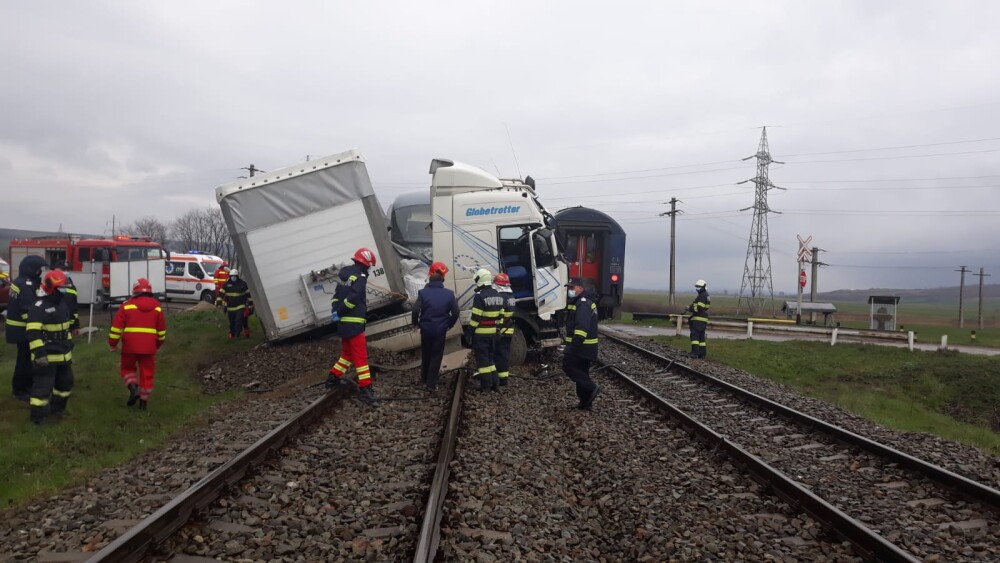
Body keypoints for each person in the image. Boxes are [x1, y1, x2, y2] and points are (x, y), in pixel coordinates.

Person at [325, 248, 378, 405]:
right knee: (360, 357)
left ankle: (332, 378)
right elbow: (353, 298)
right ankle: (366, 390)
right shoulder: (360, 276)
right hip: (354, 322)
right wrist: (342, 310)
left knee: (347, 354)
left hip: (343, 322)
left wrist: (336, 311)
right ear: (365, 264)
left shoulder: (344, 275)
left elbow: (336, 297)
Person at [108, 277, 167, 411]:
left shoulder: (127, 306)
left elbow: (116, 328)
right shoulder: (157, 308)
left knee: (127, 369)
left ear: (135, 291)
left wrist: (113, 344)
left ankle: (133, 388)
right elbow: (162, 331)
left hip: (130, 346)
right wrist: (157, 344)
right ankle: (143, 404)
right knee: (147, 374)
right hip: (149, 348)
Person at [25, 270, 75, 424]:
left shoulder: (61, 302)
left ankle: (57, 411)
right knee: (42, 389)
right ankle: (37, 419)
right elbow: (33, 333)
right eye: (61, 287)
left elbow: (65, 329)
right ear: (50, 287)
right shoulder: (39, 306)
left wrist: (69, 345)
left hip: (63, 355)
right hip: (46, 357)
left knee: (65, 384)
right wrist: (39, 354)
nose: (64, 289)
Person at [411, 261, 459, 392]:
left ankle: (425, 378)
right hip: (440, 330)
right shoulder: (449, 294)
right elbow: (455, 312)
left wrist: (416, 323)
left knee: (426, 354)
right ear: (442, 279)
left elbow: (415, 310)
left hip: (425, 330)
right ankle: (431, 383)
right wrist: (449, 324)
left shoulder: (423, 293)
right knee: (436, 355)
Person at [6, 255, 47, 402]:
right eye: (38, 269)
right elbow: (27, 311)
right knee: (24, 361)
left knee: (27, 360)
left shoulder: (22, 282)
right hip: (23, 329)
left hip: (20, 328)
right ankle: (19, 390)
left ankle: (26, 387)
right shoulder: (26, 285)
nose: (39, 272)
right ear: (31, 270)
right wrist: (38, 326)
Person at [563, 281, 600, 410]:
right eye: (569, 288)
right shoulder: (582, 301)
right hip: (586, 346)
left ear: (580, 288)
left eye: (572, 287)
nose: (570, 290)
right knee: (582, 372)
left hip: (581, 346)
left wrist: (574, 344)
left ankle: (591, 388)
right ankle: (585, 403)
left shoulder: (583, 303)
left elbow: (582, 327)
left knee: (568, 366)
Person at [469, 268, 504, 392]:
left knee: (483, 361)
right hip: (493, 333)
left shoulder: (479, 297)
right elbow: (501, 316)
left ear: (480, 280)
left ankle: (486, 386)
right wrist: (497, 329)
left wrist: (469, 332)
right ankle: (496, 384)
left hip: (481, 334)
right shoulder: (498, 295)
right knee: (490, 359)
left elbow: (475, 318)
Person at [493, 272, 516, 386]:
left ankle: (501, 379)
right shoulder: (511, 296)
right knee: (504, 354)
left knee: (499, 354)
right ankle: (503, 377)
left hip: (501, 330)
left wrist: (497, 328)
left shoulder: (501, 297)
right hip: (509, 330)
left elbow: (500, 316)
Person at [219, 269, 252, 339]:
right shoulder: (226, 284)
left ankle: (237, 333)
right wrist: (219, 301)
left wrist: (250, 304)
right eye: (232, 276)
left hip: (240, 306)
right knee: (232, 322)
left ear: (237, 276)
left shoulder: (243, 284)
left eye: (234, 276)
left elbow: (248, 294)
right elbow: (221, 293)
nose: (233, 277)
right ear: (230, 276)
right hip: (230, 308)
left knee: (238, 320)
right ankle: (232, 333)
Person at [51, 260, 80, 333]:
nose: (66, 271)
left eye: (68, 269)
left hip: (67, 325)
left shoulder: (72, 286)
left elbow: (74, 308)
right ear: (55, 269)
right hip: (51, 324)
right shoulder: (49, 283)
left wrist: (75, 325)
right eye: (63, 269)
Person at [685, 279, 710, 358]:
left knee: (695, 336)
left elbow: (699, 308)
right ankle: (702, 354)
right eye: (697, 286)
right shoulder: (705, 295)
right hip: (702, 319)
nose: (697, 288)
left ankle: (695, 353)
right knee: (701, 337)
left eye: (699, 286)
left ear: (703, 287)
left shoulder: (702, 295)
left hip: (698, 319)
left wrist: (690, 309)